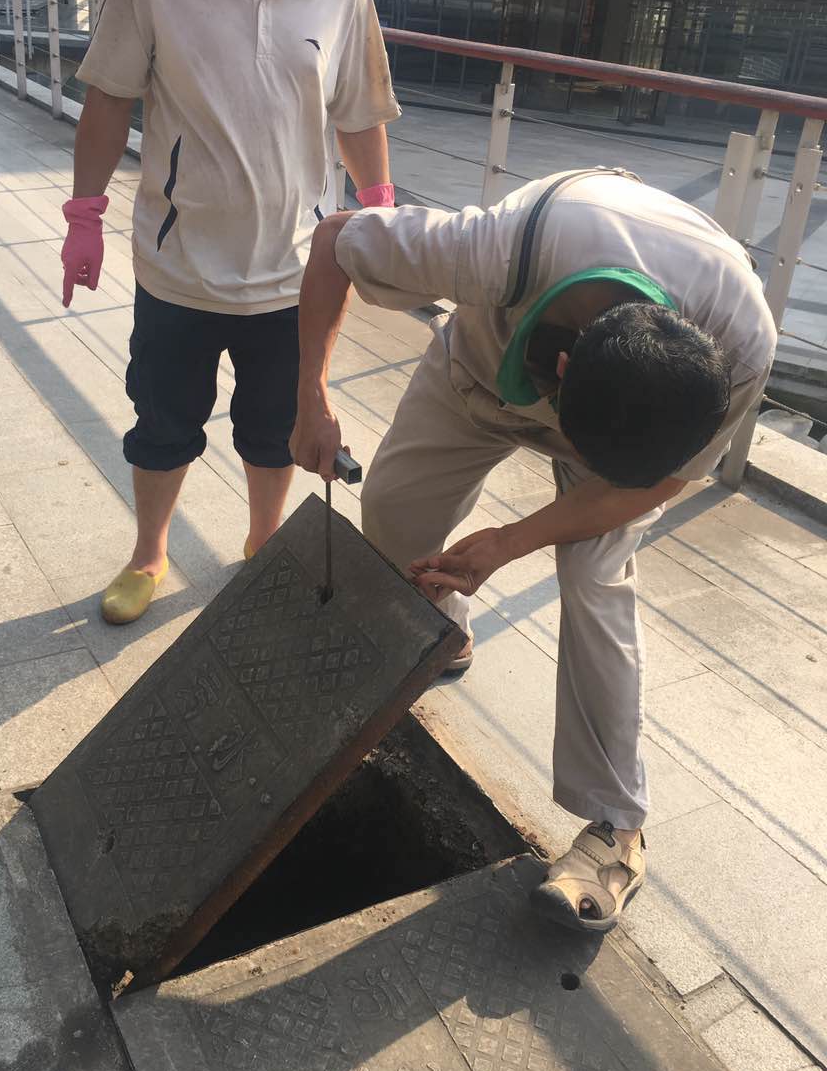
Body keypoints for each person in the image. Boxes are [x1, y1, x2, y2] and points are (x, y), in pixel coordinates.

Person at [290, 166, 776, 933]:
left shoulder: (739, 349)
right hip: (477, 376)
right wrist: (310, 396)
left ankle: (617, 828)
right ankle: (444, 630)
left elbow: (655, 483)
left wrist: (511, 541)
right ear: (561, 367)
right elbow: (332, 241)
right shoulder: (495, 249)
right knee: (391, 509)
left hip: (617, 425)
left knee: (596, 577)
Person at [60, 0, 400, 624]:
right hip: (178, 267)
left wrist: (380, 215)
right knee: (162, 423)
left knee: (276, 431)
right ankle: (149, 554)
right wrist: (83, 217)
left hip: (293, 275)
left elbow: (359, 115)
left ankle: (262, 543)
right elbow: (109, 99)